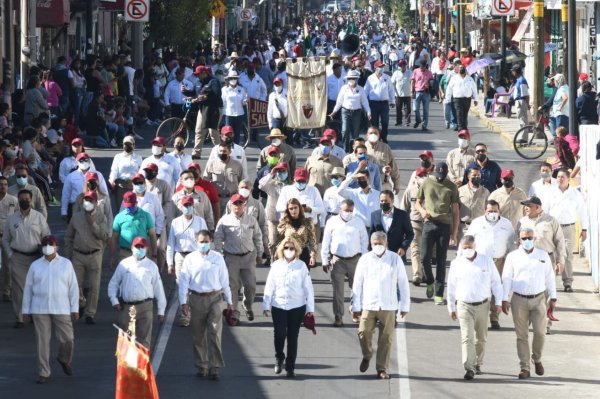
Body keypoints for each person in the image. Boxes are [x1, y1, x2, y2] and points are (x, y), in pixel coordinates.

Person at [352, 231, 410, 380]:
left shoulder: (395, 259)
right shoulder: (365, 259)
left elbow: (403, 283)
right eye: (375, 244)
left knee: (386, 338)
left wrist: (404, 305)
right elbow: (357, 284)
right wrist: (355, 306)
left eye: (380, 243)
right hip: (369, 304)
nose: (378, 246)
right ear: (371, 244)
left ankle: (382, 368)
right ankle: (367, 354)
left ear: (386, 244)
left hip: (388, 306)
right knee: (363, 333)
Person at [22, 235, 79, 384]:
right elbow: (27, 289)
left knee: (68, 339)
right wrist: (25, 311)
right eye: (45, 244)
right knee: (42, 341)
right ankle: (43, 372)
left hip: (62, 307)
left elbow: (73, 288)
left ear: (57, 247)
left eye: (50, 244)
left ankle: (64, 358)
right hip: (39, 308)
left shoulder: (66, 264)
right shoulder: (35, 266)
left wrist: (75, 308)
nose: (47, 246)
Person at [501, 228, 557, 379]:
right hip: (519, 300)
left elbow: (550, 277)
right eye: (524, 238)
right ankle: (524, 367)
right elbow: (506, 278)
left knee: (540, 331)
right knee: (522, 335)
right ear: (519, 240)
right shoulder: (512, 257)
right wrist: (504, 298)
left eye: (529, 238)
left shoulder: (542, 255)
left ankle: (537, 358)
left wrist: (553, 297)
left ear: (535, 238)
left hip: (539, 299)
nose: (527, 241)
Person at [178, 230, 232, 380]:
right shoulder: (189, 259)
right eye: (201, 241)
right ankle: (202, 366)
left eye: (206, 241)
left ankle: (215, 366)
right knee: (198, 335)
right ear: (196, 242)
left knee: (214, 332)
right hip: (196, 299)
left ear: (211, 241)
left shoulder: (218, 258)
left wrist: (230, 302)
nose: (203, 244)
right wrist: (183, 302)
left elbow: (225, 281)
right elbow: (183, 282)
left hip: (215, 298)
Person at [447, 235, 503, 380]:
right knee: (467, 338)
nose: (467, 250)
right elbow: (451, 288)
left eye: (469, 247)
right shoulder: (456, 264)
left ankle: (478, 362)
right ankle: (469, 367)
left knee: (481, 338)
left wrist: (498, 302)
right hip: (464, 305)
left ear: (475, 246)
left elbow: (496, 283)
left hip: (483, 305)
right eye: (464, 248)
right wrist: (451, 307)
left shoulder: (486, 261)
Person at [263, 237, 315, 378]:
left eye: (292, 248)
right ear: (282, 250)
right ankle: (279, 357)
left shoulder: (302, 266)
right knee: (279, 334)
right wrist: (266, 305)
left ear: (296, 250)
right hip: (279, 305)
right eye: (286, 248)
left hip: (297, 306)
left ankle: (290, 367)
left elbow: (308, 289)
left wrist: (310, 310)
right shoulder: (276, 266)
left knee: (293, 337)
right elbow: (269, 286)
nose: (289, 251)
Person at [2, 189, 51, 328]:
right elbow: (5, 239)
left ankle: (36, 315)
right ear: (18, 200)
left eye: (27, 199)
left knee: (36, 288)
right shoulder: (11, 219)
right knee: (18, 289)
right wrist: (10, 254)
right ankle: (20, 317)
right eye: (22, 199)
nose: (24, 201)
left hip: (36, 257)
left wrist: (46, 254)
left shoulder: (39, 217)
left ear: (31, 201)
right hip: (17, 257)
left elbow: (46, 236)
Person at [108, 237, 166, 349]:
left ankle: (141, 366)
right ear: (132, 248)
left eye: (142, 247)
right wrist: (114, 300)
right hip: (126, 307)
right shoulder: (124, 264)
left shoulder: (151, 266)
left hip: (145, 307)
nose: (139, 249)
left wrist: (161, 310)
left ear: (146, 249)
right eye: (137, 247)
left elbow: (159, 289)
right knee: (126, 343)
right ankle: (127, 367)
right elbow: (113, 284)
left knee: (144, 343)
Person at [213, 194, 263, 324]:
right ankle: (234, 312)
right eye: (235, 203)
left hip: (248, 257)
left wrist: (260, 254)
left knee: (250, 286)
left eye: (240, 203)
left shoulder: (251, 220)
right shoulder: (224, 221)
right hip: (231, 258)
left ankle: (247, 305)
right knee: (232, 287)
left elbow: (257, 237)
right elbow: (217, 237)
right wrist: (218, 254)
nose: (237, 206)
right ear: (230, 205)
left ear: (244, 205)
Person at [466, 200, 516, 329]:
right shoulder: (477, 223)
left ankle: (494, 317)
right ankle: (478, 317)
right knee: (481, 288)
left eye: (495, 211)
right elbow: (468, 240)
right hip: (481, 261)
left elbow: (512, 242)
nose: (493, 213)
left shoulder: (506, 224)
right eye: (490, 211)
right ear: (485, 211)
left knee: (497, 288)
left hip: (499, 261)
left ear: (499, 211)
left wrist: (512, 261)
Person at [415, 162, 460, 304]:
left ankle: (439, 293)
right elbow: (417, 202)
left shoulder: (451, 186)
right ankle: (429, 281)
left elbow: (456, 211)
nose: (439, 178)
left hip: (444, 225)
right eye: (437, 175)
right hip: (429, 223)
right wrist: (422, 211)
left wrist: (454, 233)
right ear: (434, 172)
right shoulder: (427, 182)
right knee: (424, 257)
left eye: (442, 175)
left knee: (441, 260)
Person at [63, 191, 110, 325]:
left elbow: (104, 236)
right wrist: (69, 254)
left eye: (91, 200)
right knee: (75, 285)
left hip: (94, 254)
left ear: (96, 202)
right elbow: (68, 237)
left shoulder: (101, 217)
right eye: (86, 200)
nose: (88, 203)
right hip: (78, 254)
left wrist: (92, 224)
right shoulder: (76, 217)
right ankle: (80, 303)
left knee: (94, 286)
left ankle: (90, 313)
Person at [321, 199, 368, 326]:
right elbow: (326, 242)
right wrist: (325, 260)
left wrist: (363, 260)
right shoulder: (332, 222)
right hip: (337, 260)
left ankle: (355, 310)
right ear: (340, 209)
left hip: (355, 260)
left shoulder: (358, 222)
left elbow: (364, 241)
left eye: (351, 210)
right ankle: (338, 316)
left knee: (357, 288)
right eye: (346, 210)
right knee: (338, 291)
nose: (348, 213)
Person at [547, 168, 588, 292]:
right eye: (558, 177)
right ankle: (551, 282)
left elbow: (582, 212)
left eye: (562, 177)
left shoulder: (575, 194)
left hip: (568, 228)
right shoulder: (551, 192)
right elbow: (544, 210)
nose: (559, 179)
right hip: (553, 227)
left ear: (568, 178)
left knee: (568, 255)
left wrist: (584, 229)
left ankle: (568, 282)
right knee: (552, 254)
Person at [516, 196, 566, 285]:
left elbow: (560, 241)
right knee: (529, 288)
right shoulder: (521, 222)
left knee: (547, 288)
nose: (525, 208)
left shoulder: (551, 221)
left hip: (547, 259)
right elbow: (516, 242)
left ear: (537, 207)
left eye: (528, 205)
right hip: (527, 259)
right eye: (524, 205)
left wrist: (560, 261)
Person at [110, 191, 158, 267]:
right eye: (128, 207)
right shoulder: (119, 217)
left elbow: (152, 235)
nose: (130, 208)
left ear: (136, 203)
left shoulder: (146, 215)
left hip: (142, 251)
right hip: (124, 253)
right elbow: (114, 238)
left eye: (132, 206)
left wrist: (154, 255)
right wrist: (112, 257)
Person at [329, 70, 371, 152]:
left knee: (355, 132)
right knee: (345, 130)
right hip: (345, 111)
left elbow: (365, 102)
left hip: (357, 112)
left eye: (353, 78)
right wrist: (334, 111)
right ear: (347, 79)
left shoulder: (361, 90)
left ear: (356, 79)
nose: (352, 79)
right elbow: (339, 102)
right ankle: (345, 149)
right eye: (350, 78)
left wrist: (368, 112)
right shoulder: (344, 88)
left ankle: (355, 149)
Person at [400, 167, 428, 285]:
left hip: (428, 224)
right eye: (420, 176)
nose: (422, 178)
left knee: (426, 251)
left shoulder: (432, 190)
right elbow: (403, 209)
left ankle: (425, 273)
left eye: (424, 175)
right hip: (414, 222)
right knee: (415, 249)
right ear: (416, 178)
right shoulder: (410, 190)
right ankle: (417, 275)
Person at [61, 153, 108, 221]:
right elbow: (66, 195)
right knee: (77, 229)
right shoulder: (71, 176)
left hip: (95, 207)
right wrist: (64, 211)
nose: (84, 162)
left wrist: (106, 208)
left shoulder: (98, 175)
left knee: (95, 229)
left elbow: (105, 192)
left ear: (89, 161)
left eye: (86, 160)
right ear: (77, 162)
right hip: (76, 207)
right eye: (81, 161)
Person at [258, 162, 290, 259]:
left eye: (283, 171)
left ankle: (283, 259)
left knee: (285, 242)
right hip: (272, 218)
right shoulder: (271, 184)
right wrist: (271, 174)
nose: (281, 173)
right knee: (272, 241)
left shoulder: (291, 186)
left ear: (287, 172)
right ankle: (272, 259)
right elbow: (261, 185)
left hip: (286, 219)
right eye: (279, 171)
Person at [370, 190, 414, 258]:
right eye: (381, 201)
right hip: (378, 254)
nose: (383, 203)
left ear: (392, 201)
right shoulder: (374, 215)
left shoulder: (402, 215)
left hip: (397, 254)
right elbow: (371, 234)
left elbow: (410, 234)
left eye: (386, 200)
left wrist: (403, 247)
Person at [277, 198, 317, 268]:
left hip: (303, 254)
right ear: (288, 210)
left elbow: (312, 241)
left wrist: (313, 256)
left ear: (299, 208)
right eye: (291, 208)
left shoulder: (308, 222)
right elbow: (279, 241)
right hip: (288, 254)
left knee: (303, 277)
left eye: (295, 207)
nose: (293, 210)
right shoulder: (284, 223)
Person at [192, 66, 222, 159]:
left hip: (213, 109)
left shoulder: (213, 81)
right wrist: (186, 92)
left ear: (204, 73)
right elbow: (195, 93)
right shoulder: (198, 82)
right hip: (203, 109)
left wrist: (207, 97)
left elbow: (217, 94)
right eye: (196, 75)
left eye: (199, 74)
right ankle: (196, 153)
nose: (197, 76)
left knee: (213, 131)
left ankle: (220, 152)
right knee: (199, 131)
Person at [204, 143, 244, 212]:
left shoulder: (237, 165)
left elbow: (241, 182)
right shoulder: (211, 163)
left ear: (230, 152)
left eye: (225, 151)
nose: (222, 153)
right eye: (220, 151)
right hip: (216, 199)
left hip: (231, 199)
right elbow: (205, 181)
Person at [364, 60, 395, 143]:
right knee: (374, 123)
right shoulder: (370, 78)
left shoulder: (387, 77)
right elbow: (365, 91)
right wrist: (365, 103)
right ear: (375, 68)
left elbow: (391, 90)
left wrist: (393, 101)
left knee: (385, 121)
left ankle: (384, 137)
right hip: (373, 103)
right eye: (380, 67)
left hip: (384, 103)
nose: (381, 68)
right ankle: (375, 138)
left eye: (382, 67)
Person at [109, 135, 143, 208]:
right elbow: (114, 170)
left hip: (133, 186)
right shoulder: (118, 157)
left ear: (134, 146)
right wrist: (112, 180)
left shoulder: (138, 157)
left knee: (133, 207)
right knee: (120, 209)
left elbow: (141, 172)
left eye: (129, 144)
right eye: (125, 144)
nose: (127, 146)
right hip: (120, 186)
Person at [365, 127, 401, 194]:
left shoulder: (385, 147)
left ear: (379, 135)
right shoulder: (363, 148)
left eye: (375, 133)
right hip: (367, 186)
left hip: (383, 185)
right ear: (367, 135)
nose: (373, 135)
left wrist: (397, 185)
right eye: (371, 133)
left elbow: (394, 167)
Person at [458, 167, 489, 237]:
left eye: (478, 175)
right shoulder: (460, 191)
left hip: (479, 227)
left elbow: (488, 209)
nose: (477, 177)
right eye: (474, 175)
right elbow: (455, 209)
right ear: (469, 177)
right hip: (463, 227)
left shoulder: (485, 191)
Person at [0, 177, 17, 302]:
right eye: (1, 184)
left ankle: (7, 291)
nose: (3, 187)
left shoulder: (13, 200)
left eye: (5, 184)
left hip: (6, 237)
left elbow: (18, 216)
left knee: (7, 265)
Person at [446, 65, 478, 130]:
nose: (461, 68)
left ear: (465, 69)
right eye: (460, 67)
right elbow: (449, 89)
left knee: (465, 114)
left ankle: (465, 128)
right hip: (457, 99)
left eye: (462, 67)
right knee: (459, 113)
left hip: (467, 99)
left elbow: (474, 89)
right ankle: (460, 128)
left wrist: (476, 99)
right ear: (458, 70)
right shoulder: (454, 78)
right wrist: (448, 99)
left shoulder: (470, 79)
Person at [221, 70, 248, 144]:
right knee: (228, 133)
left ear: (237, 79)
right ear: (228, 79)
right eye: (231, 78)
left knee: (237, 133)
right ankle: (227, 148)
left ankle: (236, 148)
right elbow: (222, 102)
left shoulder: (241, 89)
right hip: (228, 114)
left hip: (239, 114)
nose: (233, 80)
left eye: (235, 78)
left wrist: (245, 101)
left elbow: (243, 101)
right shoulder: (224, 90)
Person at [410, 60, 434, 130]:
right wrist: (411, 91)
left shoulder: (429, 73)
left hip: (426, 92)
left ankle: (424, 125)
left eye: (423, 67)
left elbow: (432, 83)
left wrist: (429, 85)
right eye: (420, 67)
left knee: (426, 110)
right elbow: (412, 81)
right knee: (415, 109)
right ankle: (418, 120)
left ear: (425, 66)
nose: (421, 68)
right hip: (417, 92)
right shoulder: (415, 71)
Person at [391, 59, 412, 126]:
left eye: (403, 65)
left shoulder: (409, 72)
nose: (402, 67)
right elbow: (392, 82)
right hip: (398, 94)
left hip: (407, 93)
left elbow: (412, 82)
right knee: (398, 108)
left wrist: (412, 91)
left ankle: (407, 121)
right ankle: (399, 121)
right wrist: (393, 91)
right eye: (401, 65)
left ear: (405, 66)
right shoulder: (396, 73)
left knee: (407, 109)